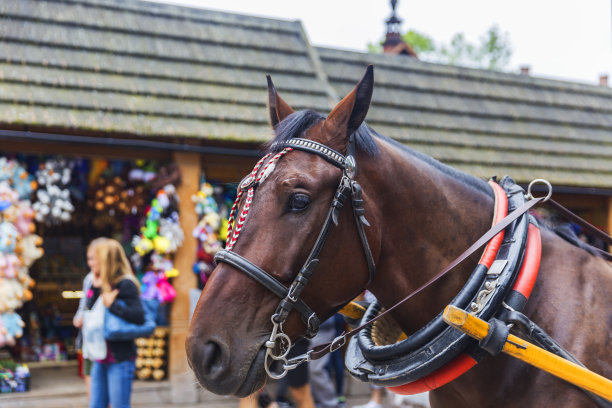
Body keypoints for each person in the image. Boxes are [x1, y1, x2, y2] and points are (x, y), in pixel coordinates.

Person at [87, 238, 144, 408]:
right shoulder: (97, 282)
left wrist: (113, 305)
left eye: (94, 258)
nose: (91, 263)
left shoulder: (125, 284)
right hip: (100, 355)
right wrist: (96, 287)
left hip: (120, 357)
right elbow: (89, 310)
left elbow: (138, 316)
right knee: (96, 404)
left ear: (105, 260)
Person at [73, 237, 106, 402]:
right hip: (89, 342)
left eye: (94, 258)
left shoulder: (113, 280)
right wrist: (78, 318)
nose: (91, 262)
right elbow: (83, 305)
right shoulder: (88, 279)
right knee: (93, 394)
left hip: (106, 344)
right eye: (89, 258)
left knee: (106, 392)